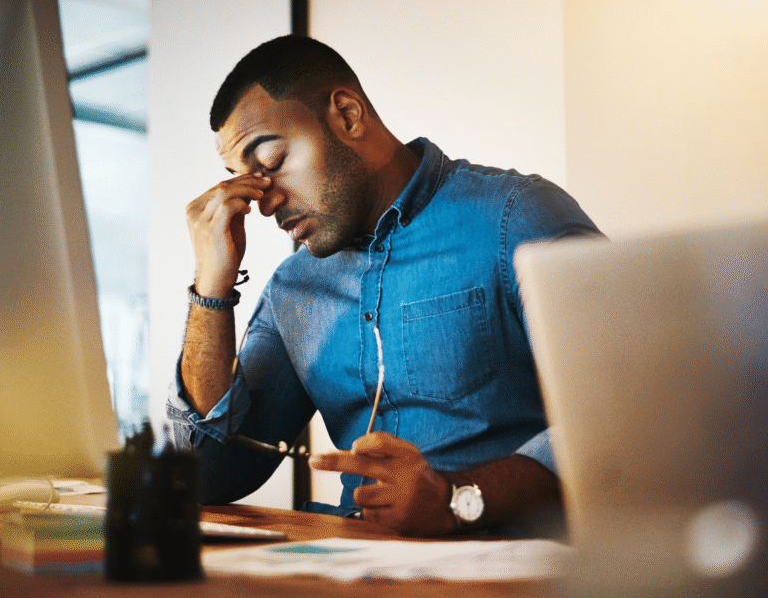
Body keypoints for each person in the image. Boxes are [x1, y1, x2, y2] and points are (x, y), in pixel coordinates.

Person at [167, 35, 600, 536]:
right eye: (244, 180)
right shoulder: (295, 289)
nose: (264, 203)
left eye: (272, 162)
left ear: (347, 116)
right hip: (354, 569)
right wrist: (211, 288)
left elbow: (626, 417)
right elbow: (208, 477)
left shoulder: (516, 218)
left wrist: (456, 496)